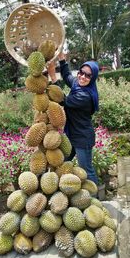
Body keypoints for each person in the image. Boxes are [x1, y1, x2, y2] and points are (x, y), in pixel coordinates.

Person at [47, 52, 99, 185]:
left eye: (88, 75)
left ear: (93, 78)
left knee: (86, 170)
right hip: (72, 135)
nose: (83, 77)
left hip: (82, 137)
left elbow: (63, 100)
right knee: (63, 162)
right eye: (81, 72)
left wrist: (53, 76)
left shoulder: (85, 96)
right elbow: (67, 76)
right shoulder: (78, 84)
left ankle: (97, 199)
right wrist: (62, 60)